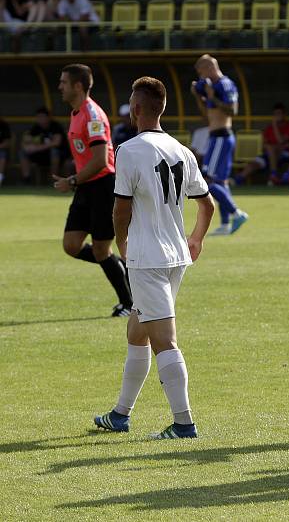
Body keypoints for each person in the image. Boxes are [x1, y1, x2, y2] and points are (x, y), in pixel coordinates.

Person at [94, 76, 215, 439]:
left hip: (147, 258)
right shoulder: (182, 150)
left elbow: (120, 210)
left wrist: (123, 243)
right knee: (137, 331)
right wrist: (195, 238)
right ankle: (120, 414)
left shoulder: (130, 150)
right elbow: (207, 205)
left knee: (164, 340)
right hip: (176, 254)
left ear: (138, 108)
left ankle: (184, 423)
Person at [52, 64, 133, 317]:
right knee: (72, 245)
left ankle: (129, 305)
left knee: (100, 249)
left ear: (78, 86)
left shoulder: (93, 115)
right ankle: (118, 265)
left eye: (64, 82)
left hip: (103, 186)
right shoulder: (77, 112)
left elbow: (100, 160)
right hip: (86, 186)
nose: (60, 87)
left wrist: (72, 181)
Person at [190, 54, 248, 235]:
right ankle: (224, 224)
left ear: (209, 68)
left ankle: (236, 213)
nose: (201, 76)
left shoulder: (224, 84)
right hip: (215, 136)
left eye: (201, 71)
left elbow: (233, 110)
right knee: (221, 182)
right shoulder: (210, 86)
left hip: (222, 137)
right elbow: (207, 113)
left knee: (207, 180)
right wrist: (199, 97)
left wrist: (211, 96)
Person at [236, 102, 289, 186]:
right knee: (255, 163)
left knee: (271, 148)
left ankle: (273, 175)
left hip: (285, 155)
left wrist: (275, 125)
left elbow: (281, 141)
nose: (277, 116)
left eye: (279, 113)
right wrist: (271, 147)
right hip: (269, 155)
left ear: (284, 114)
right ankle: (237, 180)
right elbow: (264, 145)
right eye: (276, 114)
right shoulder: (269, 129)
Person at [20, 107, 67, 184]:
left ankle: (53, 180)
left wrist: (37, 148)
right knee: (23, 152)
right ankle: (26, 179)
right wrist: (27, 147)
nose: (40, 119)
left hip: (59, 156)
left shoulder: (56, 126)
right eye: (38, 117)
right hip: (42, 155)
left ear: (48, 117)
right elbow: (26, 140)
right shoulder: (36, 128)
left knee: (54, 152)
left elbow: (56, 143)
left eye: (42, 117)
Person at [0, 116, 11, 187]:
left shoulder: (3, 125)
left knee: (2, 153)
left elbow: (7, 142)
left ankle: (0, 178)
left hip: (0, 149)